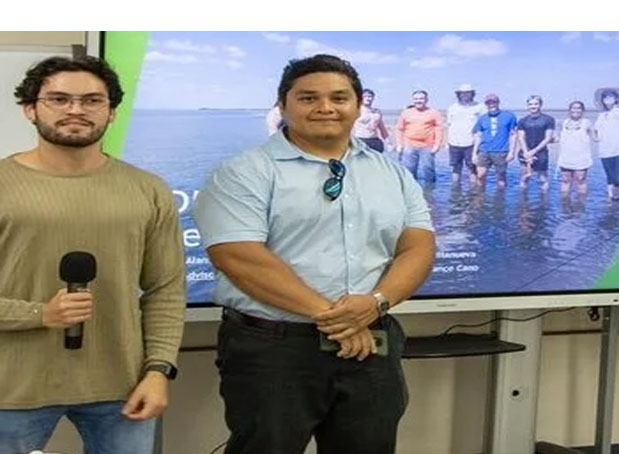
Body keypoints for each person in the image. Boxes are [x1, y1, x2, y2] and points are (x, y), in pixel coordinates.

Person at [193, 54, 436, 454]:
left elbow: (419, 247)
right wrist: (343, 320)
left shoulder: (391, 172)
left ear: (358, 106)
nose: (325, 108)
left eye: (339, 98)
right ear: (282, 105)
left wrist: (374, 304)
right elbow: (238, 257)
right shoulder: (244, 172)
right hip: (273, 351)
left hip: (371, 346)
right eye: (308, 98)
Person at [0, 55, 186, 454]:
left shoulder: (148, 189)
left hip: (123, 386)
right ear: (30, 108)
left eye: (91, 100)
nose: (76, 110)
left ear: (111, 112)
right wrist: (39, 314)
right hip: (10, 390)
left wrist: (159, 370)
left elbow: (165, 290)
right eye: (59, 99)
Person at [394, 89, 444, 183]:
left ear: (426, 100)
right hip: (409, 146)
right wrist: (399, 145)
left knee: (428, 170)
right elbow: (399, 129)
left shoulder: (434, 112)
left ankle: (429, 194)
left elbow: (439, 130)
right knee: (409, 171)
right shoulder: (406, 112)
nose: (418, 101)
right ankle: (411, 193)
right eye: (416, 99)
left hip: (427, 146)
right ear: (412, 100)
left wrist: (437, 145)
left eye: (421, 98)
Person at [472, 93, 519, 189]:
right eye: (488, 103)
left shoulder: (509, 116)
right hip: (484, 150)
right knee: (480, 175)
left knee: (501, 177)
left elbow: (513, 135)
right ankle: (480, 197)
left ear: (498, 103)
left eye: (494, 102)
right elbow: (478, 136)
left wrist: (512, 152)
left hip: (501, 151)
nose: (491, 105)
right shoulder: (482, 118)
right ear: (486, 104)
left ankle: (500, 199)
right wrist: (474, 153)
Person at [446, 83, 487, 185]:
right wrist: (446, 142)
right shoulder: (452, 107)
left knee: (472, 168)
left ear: (472, 94)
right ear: (459, 94)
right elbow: (448, 125)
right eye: (462, 93)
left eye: (467, 93)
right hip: (454, 142)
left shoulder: (480, 107)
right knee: (456, 168)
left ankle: (473, 191)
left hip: (471, 143)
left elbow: (484, 126)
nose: (465, 95)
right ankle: (455, 190)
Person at [517, 95, 555, 191]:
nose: (533, 106)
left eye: (535, 104)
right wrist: (526, 152)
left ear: (540, 105)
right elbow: (521, 137)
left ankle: (544, 202)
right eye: (530, 104)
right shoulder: (522, 121)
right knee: (525, 177)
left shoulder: (548, 119)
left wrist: (533, 151)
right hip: (525, 152)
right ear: (527, 106)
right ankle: (523, 202)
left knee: (543, 179)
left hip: (541, 152)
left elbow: (548, 138)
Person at [557, 100, 595, 197]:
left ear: (583, 110)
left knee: (580, 180)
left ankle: (581, 206)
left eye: (579, 108)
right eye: (573, 108)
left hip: (581, 157)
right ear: (569, 110)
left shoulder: (587, 123)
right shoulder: (563, 123)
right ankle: (564, 205)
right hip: (566, 157)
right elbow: (558, 138)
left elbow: (596, 138)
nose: (576, 110)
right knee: (565, 180)